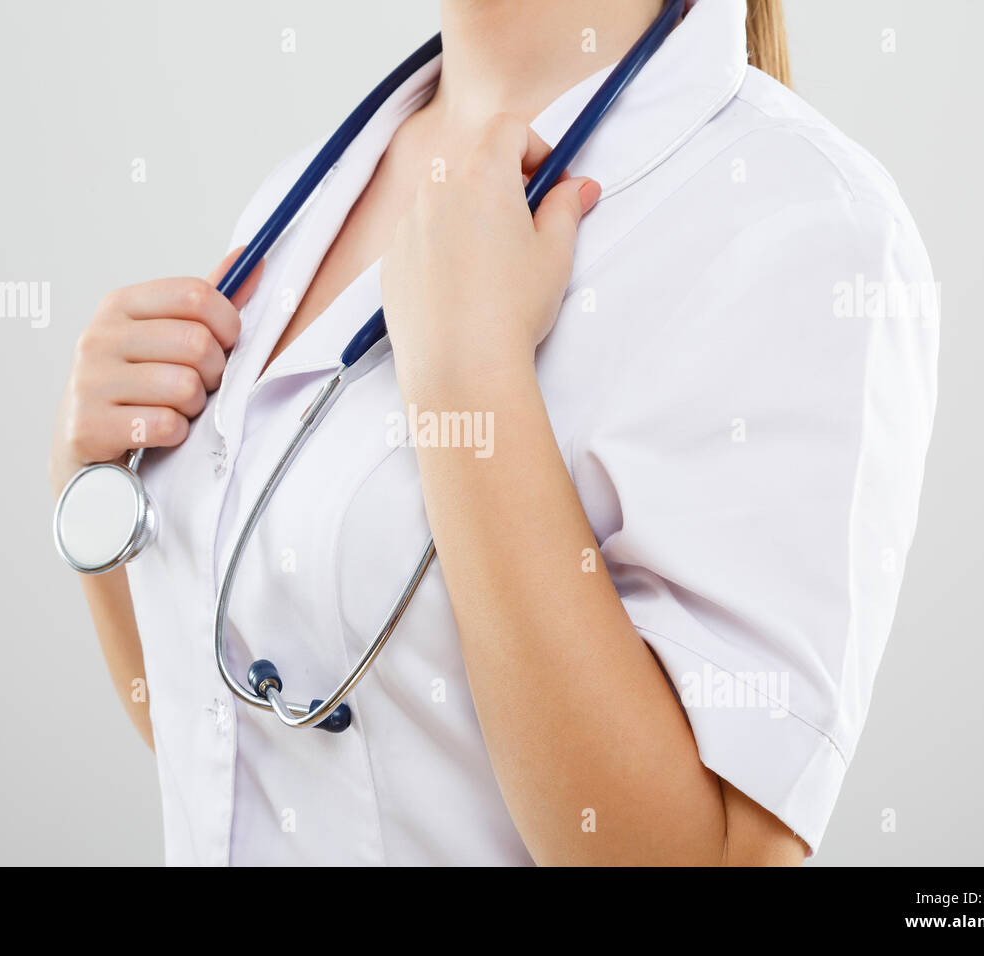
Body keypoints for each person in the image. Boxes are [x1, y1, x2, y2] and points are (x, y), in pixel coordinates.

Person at [48, 0, 938, 865]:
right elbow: (241, 757)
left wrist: (468, 377)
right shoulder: (306, 190)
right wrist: (96, 481)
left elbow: (706, 860)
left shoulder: (805, 224)